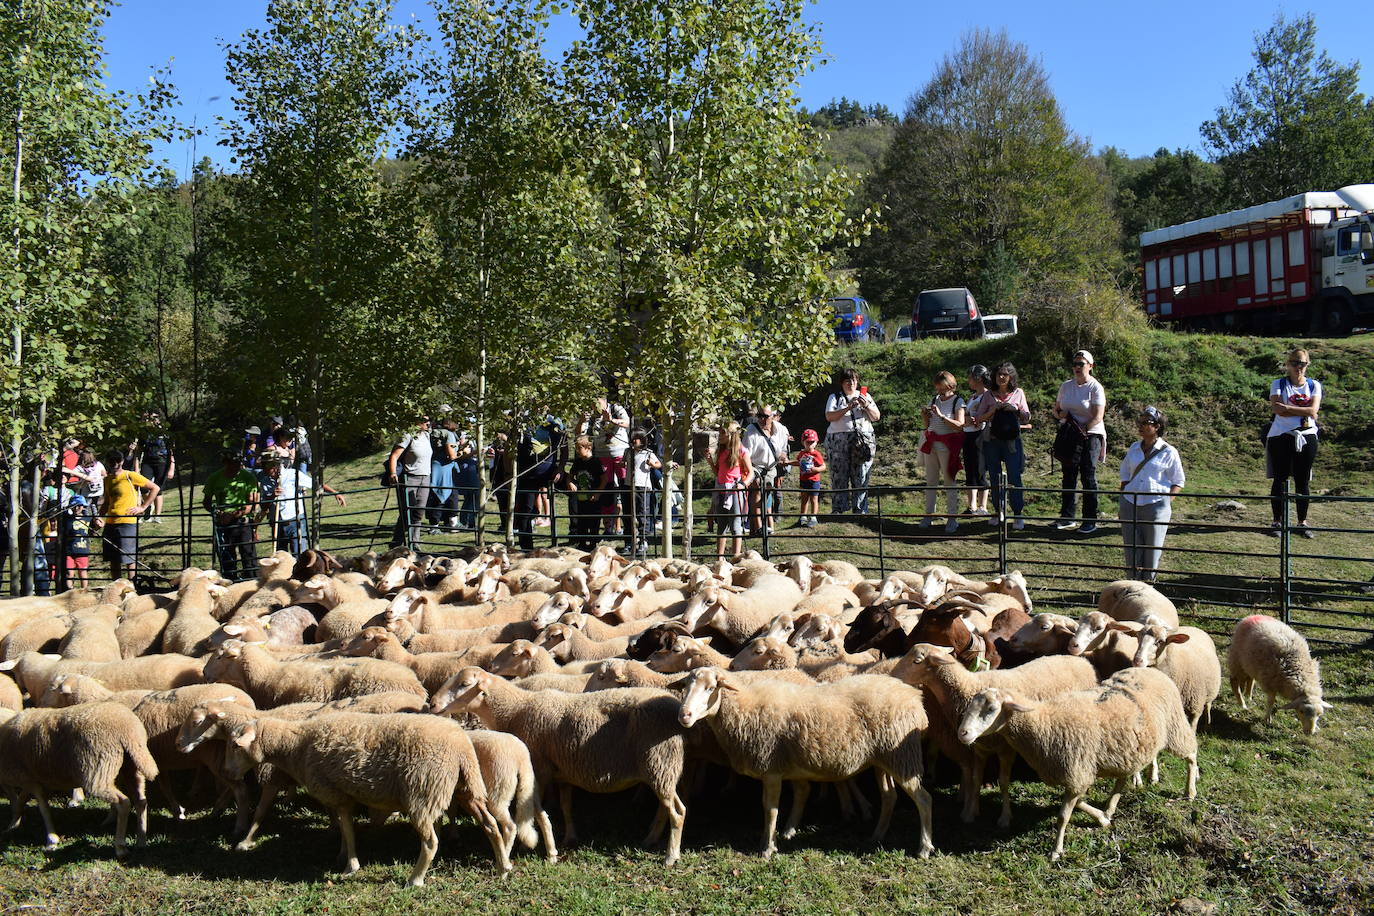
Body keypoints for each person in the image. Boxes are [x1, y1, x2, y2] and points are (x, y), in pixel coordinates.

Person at [1119, 406, 1185, 582]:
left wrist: (1166, 502)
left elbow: (1178, 481)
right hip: (1130, 503)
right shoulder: (1134, 448)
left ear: (1157, 426)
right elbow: (1125, 472)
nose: (1140, 426)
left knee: (1152, 551)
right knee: (1131, 549)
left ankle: (1148, 587)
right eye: (1139, 422)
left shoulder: (1169, 451)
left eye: (1145, 423)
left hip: (1156, 506)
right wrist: (1125, 491)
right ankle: (1132, 585)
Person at [1265, 347, 1321, 538]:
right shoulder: (1278, 383)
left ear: (1308, 365)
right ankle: (1277, 521)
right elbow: (1277, 410)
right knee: (1280, 478)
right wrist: (1303, 410)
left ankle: (1302, 522)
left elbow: (1313, 411)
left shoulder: (1314, 385)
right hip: (1281, 435)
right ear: (1288, 364)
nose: (1299, 367)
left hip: (1307, 435)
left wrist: (1288, 407)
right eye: (1295, 363)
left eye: (1303, 363)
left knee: (1302, 480)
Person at [1053, 350, 1107, 533]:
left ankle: (1090, 519)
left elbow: (1098, 416)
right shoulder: (1066, 386)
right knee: (1068, 474)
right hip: (1070, 434)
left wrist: (1082, 431)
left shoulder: (1095, 387)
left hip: (1091, 434)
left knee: (1088, 475)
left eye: (1081, 364)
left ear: (1090, 366)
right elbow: (1056, 410)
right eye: (1075, 364)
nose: (1077, 367)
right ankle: (1067, 517)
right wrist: (1061, 415)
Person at [974, 362, 1031, 530]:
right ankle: (998, 512)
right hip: (991, 440)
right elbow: (978, 418)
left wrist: (1014, 409)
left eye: (1005, 374)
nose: (1001, 377)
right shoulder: (988, 395)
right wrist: (993, 410)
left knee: (1014, 477)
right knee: (995, 476)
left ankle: (1018, 514)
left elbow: (1027, 417)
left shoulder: (1018, 393)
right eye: (998, 374)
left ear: (1011, 376)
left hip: (1012, 442)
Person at [256, 454, 346, 554]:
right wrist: (272, 496)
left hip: (296, 520)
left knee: (300, 554)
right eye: (262, 466)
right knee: (281, 557)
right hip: (278, 523)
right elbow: (264, 506)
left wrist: (334, 493)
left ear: (274, 466)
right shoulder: (265, 481)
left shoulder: (292, 475)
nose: (263, 469)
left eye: (265, 466)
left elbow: (315, 484)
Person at [823, 368, 880, 515]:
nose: (851, 383)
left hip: (862, 440)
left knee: (861, 474)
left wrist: (866, 405)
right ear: (842, 383)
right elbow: (829, 417)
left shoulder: (865, 396)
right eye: (848, 381)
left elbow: (876, 417)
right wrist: (848, 407)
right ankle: (839, 509)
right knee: (838, 474)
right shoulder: (835, 397)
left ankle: (860, 509)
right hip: (838, 440)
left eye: (854, 380)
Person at [97, 449, 159, 581]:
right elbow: (107, 501)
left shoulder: (130, 475)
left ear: (122, 461)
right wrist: (99, 516)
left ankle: (133, 585)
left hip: (127, 522)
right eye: (111, 461)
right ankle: (116, 586)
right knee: (113, 558)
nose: (114, 463)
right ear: (107, 462)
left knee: (129, 557)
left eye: (117, 460)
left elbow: (155, 488)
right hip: (110, 523)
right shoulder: (107, 479)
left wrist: (143, 507)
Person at [919, 371, 966, 533]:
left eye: (941, 387)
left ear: (950, 385)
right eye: (937, 387)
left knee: (949, 481)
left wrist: (940, 416)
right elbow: (927, 425)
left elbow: (960, 425)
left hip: (947, 446)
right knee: (931, 481)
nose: (939, 391)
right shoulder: (934, 400)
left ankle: (952, 518)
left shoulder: (958, 401)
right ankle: (928, 515)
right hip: (931, 444)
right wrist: (925, 415)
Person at [202, 450, 260, 581]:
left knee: (248, 554)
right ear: (226, 463)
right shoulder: (214, 478)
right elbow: (207, 501)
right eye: (232, 463)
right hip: (223, 523)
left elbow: (252, 503)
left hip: (242, 521)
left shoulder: (248, 478)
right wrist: (217, 513)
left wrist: (236, 514)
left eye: (238, 463)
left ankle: (252, 580)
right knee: (227, 556)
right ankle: (230, 581)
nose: (236, 467)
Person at [386, 415, 434, 549]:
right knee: (407, 512)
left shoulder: (426, 435)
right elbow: (394, 456)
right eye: (424, 421)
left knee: (419, 512)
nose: (428, 423)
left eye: (428, 421)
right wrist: (393, 473)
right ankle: (396, 543)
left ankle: (415, 543)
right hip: (410, 477)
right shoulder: (408, 435)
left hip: (425, 477)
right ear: (416, 422)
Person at [584, 396, 630, 535]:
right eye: (593, 403)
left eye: (598, 402)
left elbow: (627, 423)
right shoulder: (591, 415)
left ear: (604, 400)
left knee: (624, 488)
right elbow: (582, 432)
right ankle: (608, 527)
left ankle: (624, 526)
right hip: (601, 455)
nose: (595, 405)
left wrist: (611, 420)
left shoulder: (616, 408)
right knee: (606, 492)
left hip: (619, 453)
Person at [743, 405, 789, 535]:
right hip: (754, 466)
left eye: (765, 416)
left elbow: (783, 449)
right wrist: (750, 472)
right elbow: (745, 454)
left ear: (773, 417)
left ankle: (755, 529)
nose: (762, 419)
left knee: (767, 494)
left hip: (771, 467)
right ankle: (758, 527)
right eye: (760, 416)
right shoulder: (751, 430)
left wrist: (783, 457)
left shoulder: (780, 429)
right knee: (757, 489)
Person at [712, 420, 753, 560]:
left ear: (731, 434)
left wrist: (743, 483)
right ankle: (720, 558)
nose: (720, 435)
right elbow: (718, 472)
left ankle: (736, 557)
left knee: (736, 525)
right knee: (721, 525)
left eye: (723, 433)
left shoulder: (742, 451)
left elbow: (751, 472)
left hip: (734, 491)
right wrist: (710, 461)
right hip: (721, 490)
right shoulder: (722, 451)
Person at [134, 410, 175, 524]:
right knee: (143, 487)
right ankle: (147, 506)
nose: (151, 421)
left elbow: (171, 450)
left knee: (158, 489)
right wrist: (136, 468)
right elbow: (138, 451)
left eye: (154, 418)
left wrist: (172, 467)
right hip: (147, 462)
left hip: (163, 462)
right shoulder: (144, 433)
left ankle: (157, 515)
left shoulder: (165, 432)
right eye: (148, 418)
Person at [962, 365, 992, 517]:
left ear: (978, 378)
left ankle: (983, 505)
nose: (968, 380)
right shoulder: (973, 396)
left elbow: (984, 416)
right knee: (970, 469)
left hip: (980, 434)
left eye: (970, 376)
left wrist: (972, 419)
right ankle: (971, 505)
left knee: (980, 469)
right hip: (968, 434)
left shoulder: (987, 396)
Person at [628, 429, 662, 558]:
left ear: (642, 440)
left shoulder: (648, 453)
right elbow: (625, 463)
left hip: (643, 486)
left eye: (636, 438)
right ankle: (633, 539)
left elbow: (659, 464)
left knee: (643, 512)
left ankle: (643, 539)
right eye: (632, 438)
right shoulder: (629, 452)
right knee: (632, 512)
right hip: (630, 485)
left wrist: (652, 464)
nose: (633, 441)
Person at [783, 428, 826, 528]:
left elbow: (823, 466)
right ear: (803, 442)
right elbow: (798, 462)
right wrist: (788, 463)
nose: (810, 444)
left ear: (816, 442)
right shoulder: (802, 453)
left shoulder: (816, 454)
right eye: (808, 442)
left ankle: (813, 517)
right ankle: (803, 517)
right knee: (804, 498)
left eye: (812, 442)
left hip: (814, 481)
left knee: (814, 499)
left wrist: (815, 469)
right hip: (803, 480)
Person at [567, 435, 603, 550]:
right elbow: (570, 476)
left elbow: (605, 479)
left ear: (588, 448)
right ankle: (582, 544)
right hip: (581, 498)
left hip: (593, 499)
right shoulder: (577, 462)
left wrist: (598, 493)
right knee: (581, 522)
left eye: (579, 448)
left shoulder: (596, 462)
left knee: (593, 522)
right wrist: (571, 483)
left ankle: (593, 545)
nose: (577, 451)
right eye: (576, 448)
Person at [426, 417, 459, 533]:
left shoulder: (433, 433)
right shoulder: (448, 434)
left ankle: (436, 525)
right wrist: (462, 453)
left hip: (435, 466)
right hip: (444, 468)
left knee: (439, 493)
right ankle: (448, 525)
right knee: (444, 494)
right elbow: (452, 455)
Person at [62, 494, 94, 589]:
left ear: (83, 506)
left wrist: (98, 526)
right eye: (73, 506)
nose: (76, 508)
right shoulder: (67, 519)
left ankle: (84, 591)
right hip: (69, 550)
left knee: (83, 572)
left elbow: (93, 532)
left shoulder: (88, 519)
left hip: (83, 550)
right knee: (69, 572)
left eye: (79, 506)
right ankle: (69, 591)